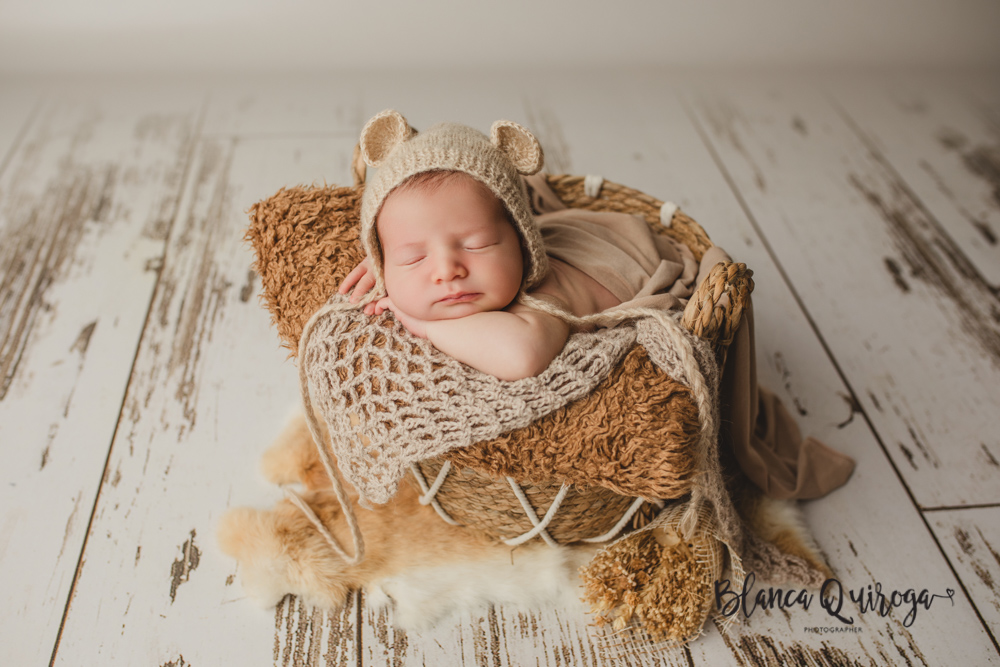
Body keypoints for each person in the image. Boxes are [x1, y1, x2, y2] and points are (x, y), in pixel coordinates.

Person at [336, 111, 700, 382]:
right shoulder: (415, 260)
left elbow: (520, 356)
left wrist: (421, 323)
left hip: (630, 254)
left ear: (524, 243)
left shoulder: (543, 301)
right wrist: (389, 265)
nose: (447, 270)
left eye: (477, 245)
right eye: (413, 256)